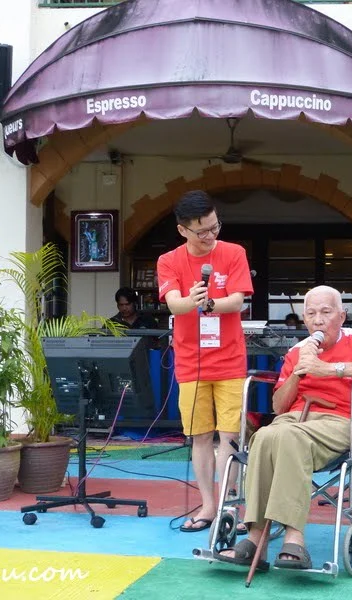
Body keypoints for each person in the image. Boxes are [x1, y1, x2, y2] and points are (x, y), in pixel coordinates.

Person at [217, 285, 352, 569]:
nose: (318, 320)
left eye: (326, 312)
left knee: (287, 437)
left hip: (340, 421)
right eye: (311, 314)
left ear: (342, 315)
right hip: (294, 419)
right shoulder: (299, 350)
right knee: (264, 435)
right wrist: (298, 372)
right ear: (304, 318)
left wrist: (330, 370)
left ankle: (294, 537)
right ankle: (255, 537)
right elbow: (278, 407)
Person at [157, 190, 253, 533]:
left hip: (229, 360)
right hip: (190, 361)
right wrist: (191, 299)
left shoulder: (234, 253)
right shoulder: (169, 260)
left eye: (215, 227)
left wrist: (211, 303)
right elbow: (173, 305)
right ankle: (208, 507)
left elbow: (239, 300)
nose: (211, 236)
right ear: (183, 230)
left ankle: (231, 505)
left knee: (229, 437)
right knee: (199, 437)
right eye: (203, 231)